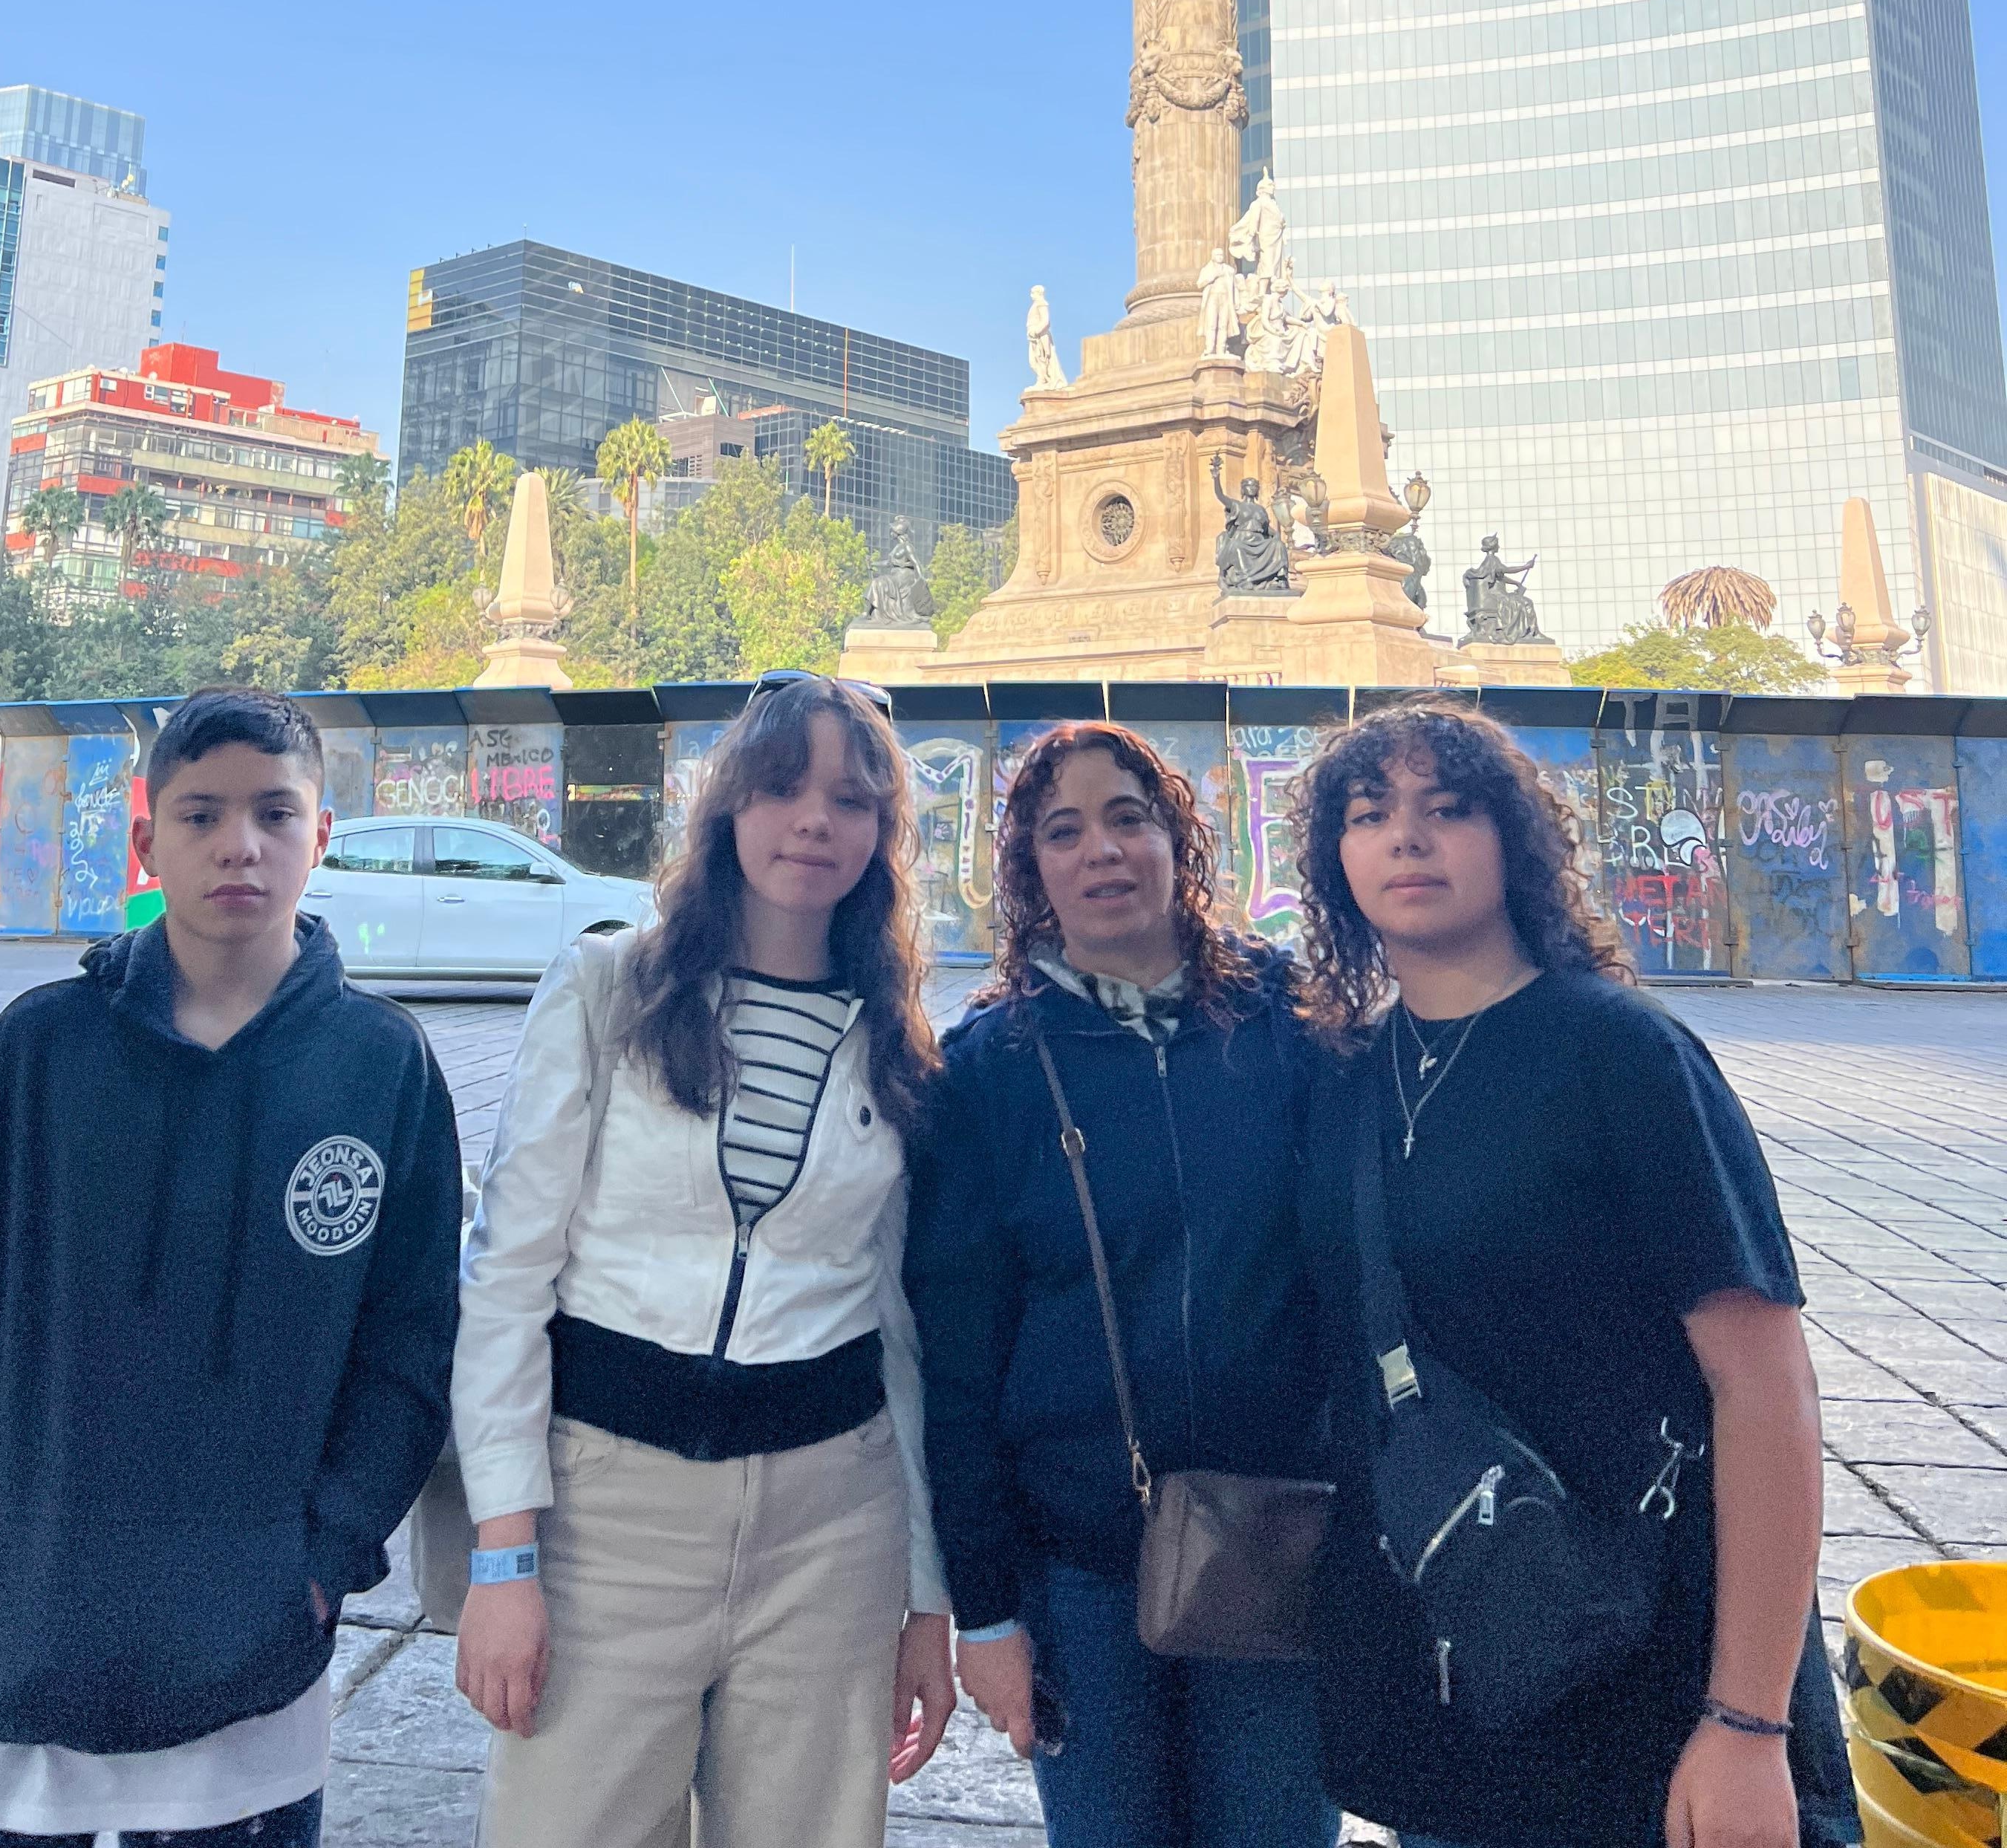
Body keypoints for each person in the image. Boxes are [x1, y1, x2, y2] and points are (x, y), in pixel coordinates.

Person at [0, 687, 463, 1848]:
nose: (241, 844)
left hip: (250, 1693)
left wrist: (324, 1557)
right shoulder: (39, 1050)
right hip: (3, 1678)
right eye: (202, 814)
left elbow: (407, 1350)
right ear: (146, 841)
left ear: (320, 837)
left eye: (276, 813)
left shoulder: (384, 1068)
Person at [1287, 702, 1858, 1848]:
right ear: (1332, 858)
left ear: (1513, 843)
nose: (1408, 839)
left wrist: (1747, 1722)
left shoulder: (1622, 1054)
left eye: (1447, 810)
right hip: (1466, 1662)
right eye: (1371, 814)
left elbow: (1764, 1386)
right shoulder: (1347, 1080)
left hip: (1647, 1665)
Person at [451, 670, 955, 1847]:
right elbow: (508, 1277)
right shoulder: (606, 986)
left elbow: (902, 1328)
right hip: (606, 1514)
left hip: (833, 1527)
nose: (813, 822)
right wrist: (503, 1555)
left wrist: (925, 1594)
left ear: (884, 831)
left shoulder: (894, 1041)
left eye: (849, 798)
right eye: (781, 789)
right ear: (727, 808)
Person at [904, 723, 1332, 1848]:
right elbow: (956, 1359)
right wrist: (984, 1612)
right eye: (1065, 830)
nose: (1102, 849)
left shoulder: (1290, 1021)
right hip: (1082, 1565)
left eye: (1128, 817)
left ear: (1175, 838)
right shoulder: (990, 1069)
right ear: (1030, 872)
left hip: (1281, 1543)